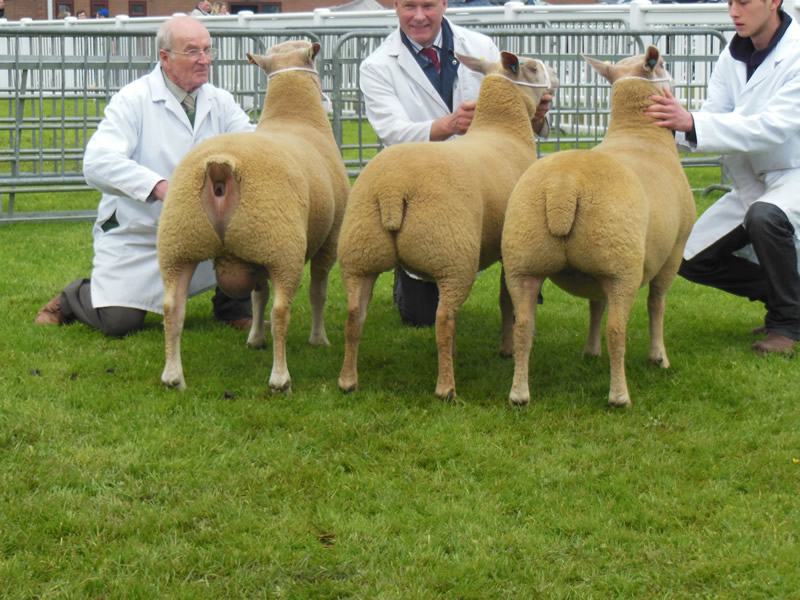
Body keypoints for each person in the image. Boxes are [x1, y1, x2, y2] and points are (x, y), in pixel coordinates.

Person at [35, 16, 256, 337]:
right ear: (165, 57)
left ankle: (233, 308)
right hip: (141, 234)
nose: (205, 59)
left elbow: (251, 148)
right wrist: (159, 186)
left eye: (208, 50)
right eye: (193, 51)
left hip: (206, 232)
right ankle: (75, 296)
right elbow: (97, 161)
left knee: (248, 239)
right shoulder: (132, 100)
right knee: (120, 323)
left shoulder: (220, 102)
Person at [359, 0, 552, 326]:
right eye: (409, 6)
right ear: (395, 7)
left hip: (484, 178)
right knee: (421, 317)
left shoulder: (480, 47)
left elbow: (514, 107)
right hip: (426, 184)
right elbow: (391, 130)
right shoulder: (376, 66)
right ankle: (408, 276)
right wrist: (445, 126)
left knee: (510, 214)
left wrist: (536, 116)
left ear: (444, 4)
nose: (419, 16)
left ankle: (519, 278)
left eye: (429, 5)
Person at [646, 0, 800, 354]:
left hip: (794, 173)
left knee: (765, 216)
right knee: (686, 256)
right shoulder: (732, 56)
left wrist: (692, 123)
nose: (733, 11)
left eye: (743, 2)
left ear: (774, 1)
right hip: (753, 181)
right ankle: (790, 300)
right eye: (730, 2)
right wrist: (665, 123)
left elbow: (771, 128)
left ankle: (785, 327)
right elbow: (712, 116)